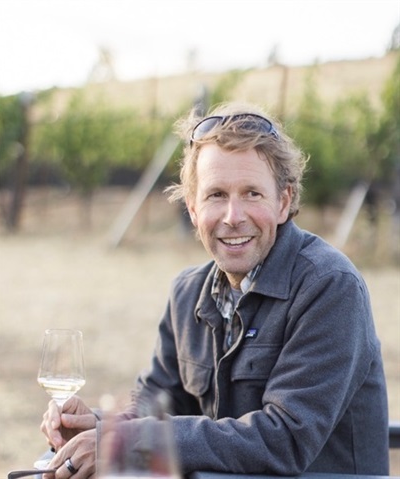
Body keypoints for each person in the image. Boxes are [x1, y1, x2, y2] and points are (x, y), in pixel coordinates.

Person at [41, 102, 389, 477]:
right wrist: (98, 426)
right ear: (192, 209)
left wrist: (131, 443)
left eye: (252, 194)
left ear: (283, 202)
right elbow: (156, 404)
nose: (233, 216)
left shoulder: (329, 286)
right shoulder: (188, 292)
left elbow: (285, 439)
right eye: (216, 195)